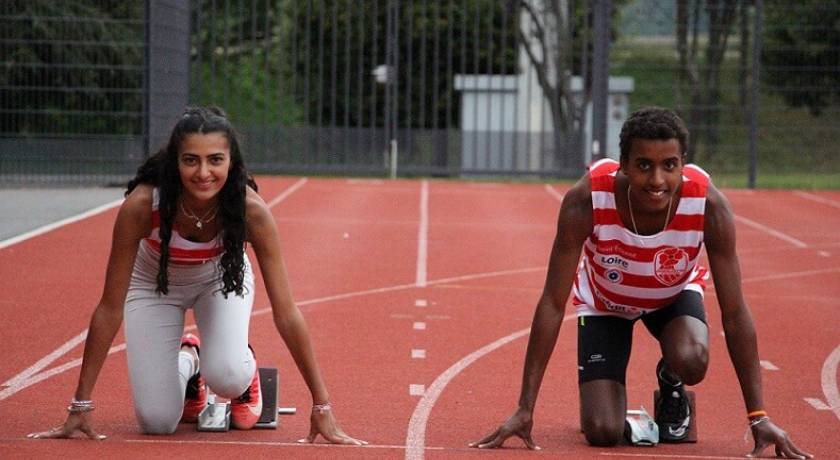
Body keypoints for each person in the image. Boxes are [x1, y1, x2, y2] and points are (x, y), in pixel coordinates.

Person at [470, 107, 811, 458]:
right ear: (623, 163)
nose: (657, 180)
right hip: (606, 302)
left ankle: (671, 377)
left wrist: (758, 417)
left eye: (669, 165)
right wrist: (525, 407)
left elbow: (736, 313)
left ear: (683, 163)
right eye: (643, 165)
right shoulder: (586, 200)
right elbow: (552, 303)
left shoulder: (708, 205)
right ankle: (606, 403)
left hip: (672, 296)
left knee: (692, 359)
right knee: (603, 431)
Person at [28, 106, 365, 445]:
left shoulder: (251, 212)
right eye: (191, 160)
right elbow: (109, 308)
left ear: (231, 160)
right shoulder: (144, 205)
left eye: (215, 160)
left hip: (221, 277)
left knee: (227, 376)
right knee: (157, 422)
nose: (203, 172)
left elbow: (287, 313)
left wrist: (321, 403)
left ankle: (241, 373)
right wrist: (81, 402)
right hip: (153, 284)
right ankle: (190, 360)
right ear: (175, 160)